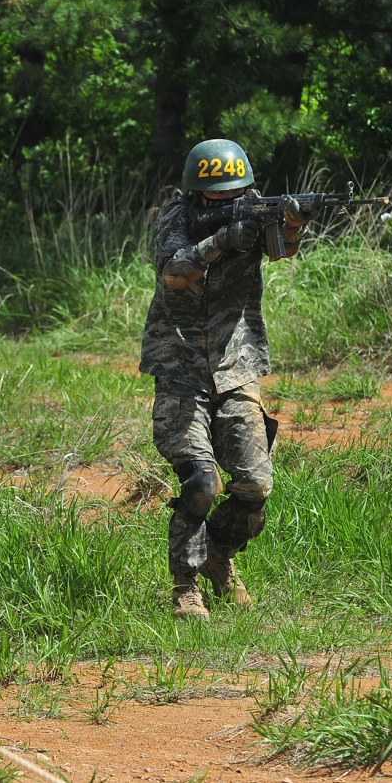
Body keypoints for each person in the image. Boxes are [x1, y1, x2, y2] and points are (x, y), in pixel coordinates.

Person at [139, 139, 309, 621]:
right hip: (179, 365)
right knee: (201, 482)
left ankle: (219, 557)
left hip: (237, 364)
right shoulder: (176, 217)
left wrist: (292, 223)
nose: (224, 202)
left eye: (232, 194)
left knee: (255, 483)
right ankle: (185, 587)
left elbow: (283, 251)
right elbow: (173, 272)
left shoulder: (254, 213)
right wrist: (221, 240)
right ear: (196, 194)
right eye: (214, 197)